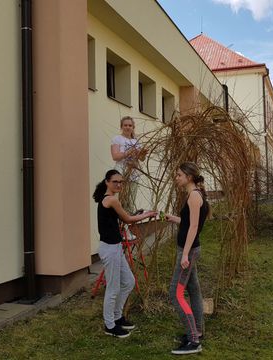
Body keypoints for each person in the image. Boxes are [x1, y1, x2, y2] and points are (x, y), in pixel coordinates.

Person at [93, 169, 157, 338]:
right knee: (113, 288)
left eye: (121, 182)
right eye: (115, 182)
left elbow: (120, 220)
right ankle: (110, 325)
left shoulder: (110, 199)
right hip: (110, 249)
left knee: (128, 281)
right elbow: (128, 219)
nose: (119, 184)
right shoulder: (111, 199)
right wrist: (147, 214)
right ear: (107, 182)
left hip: (115, 247)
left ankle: (117, 316)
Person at [165, 162, 210, 355]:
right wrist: (173, 218)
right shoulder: (197, 194)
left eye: (179, 175)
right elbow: (191, 222)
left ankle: (193, 340)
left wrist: (185, 254)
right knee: (193, 290)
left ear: (189, 177)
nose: (177, 178)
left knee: (175, 293)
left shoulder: (193, 195)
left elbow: (193, 228)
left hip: (188, 250)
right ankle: (197, 332)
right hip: (191, 249)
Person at [110, 116, 147, 213]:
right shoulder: (117, 139)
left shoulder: (136, 141)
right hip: (121, 174)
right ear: (121, 126)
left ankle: (127, 225)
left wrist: (143, 154)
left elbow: (141, 159)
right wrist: (128, 153)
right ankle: (119, 225)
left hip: (134, 175)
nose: (127, 127)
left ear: (133, 127)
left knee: (130, 202)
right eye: (125, 125)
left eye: (130, 125)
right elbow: (115, 156)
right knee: (120, 201)